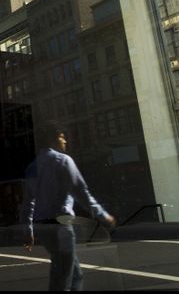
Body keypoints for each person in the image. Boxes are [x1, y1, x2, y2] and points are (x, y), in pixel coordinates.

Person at [20, 125, 116, 291]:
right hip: (61, 226)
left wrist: (28, 231)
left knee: (71, 271)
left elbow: (28, 203)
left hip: (42, 227)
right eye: (62, 137)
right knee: (64, 276)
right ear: (53, 138)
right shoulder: (63, 161)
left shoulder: (32, 167)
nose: (65, 140)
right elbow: (81, 192)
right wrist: (103, 215)